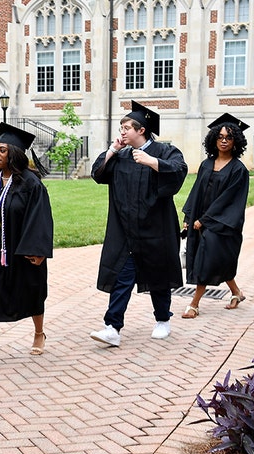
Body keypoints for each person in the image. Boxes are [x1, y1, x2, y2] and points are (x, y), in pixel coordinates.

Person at [89, 101, 188, 346]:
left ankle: (163, 320)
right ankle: (112, 327)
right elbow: (98, 174)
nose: (122, 131)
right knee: (122, 276)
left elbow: (179, 171)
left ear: (141, 129)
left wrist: (151, 162)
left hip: (156, 228)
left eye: (126, 127)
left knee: (159, 276)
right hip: (125, 229)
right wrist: (112, 150)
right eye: (121, 127)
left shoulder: (165, 151)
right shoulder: (120, 155)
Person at [0, 122, 53, 375]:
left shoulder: (32, 184)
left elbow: (40, 217)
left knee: (32, 291)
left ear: (15, 154)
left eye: (2, 150)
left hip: (22, 249)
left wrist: (37, 249)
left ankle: (39, 333)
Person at [180, 113, 250, 318]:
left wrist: (205, 220)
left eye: (229, 137)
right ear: (213, 139)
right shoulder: (205, 164)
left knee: (206, 259)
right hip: (200, 220)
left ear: (236, 141)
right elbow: (196, 192)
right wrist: (189, 217)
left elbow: (229, 200)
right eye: (219, 137)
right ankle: (236, 292)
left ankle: (194, 304)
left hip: (223, 223)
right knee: (217, 259)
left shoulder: (239, 170)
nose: (224, 140)